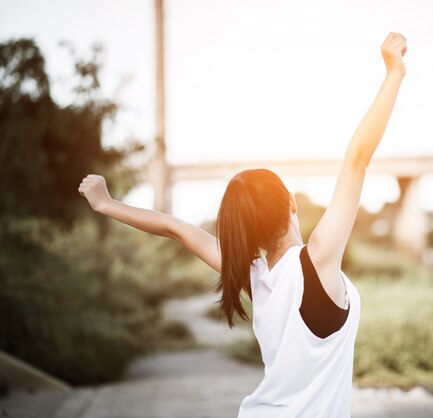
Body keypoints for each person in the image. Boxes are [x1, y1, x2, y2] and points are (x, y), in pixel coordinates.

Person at [78, 31, 407, 417]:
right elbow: (357, 159)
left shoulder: (254, 274)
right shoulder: (314, 263)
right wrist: (393, 74)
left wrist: (108, 204)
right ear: (290, 204)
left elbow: (178, 229)